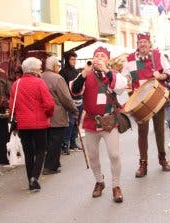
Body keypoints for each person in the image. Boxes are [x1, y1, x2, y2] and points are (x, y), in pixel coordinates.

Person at [70, 47, 127, 203]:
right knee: (93, 156)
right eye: (96, 56)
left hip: (109, 122)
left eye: (102, 56)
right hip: (91, 122)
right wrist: (83, 74)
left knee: (114, 155)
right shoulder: (85, 75)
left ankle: (116, 186)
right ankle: (99, 181)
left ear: (107, 59)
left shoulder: (114, 75)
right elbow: (75, 91)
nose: (99, 58)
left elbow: (120, 89)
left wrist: (107, 71)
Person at [122, 32, 170, 178]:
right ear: (137, 45)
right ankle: (143, 163)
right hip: (139, 102)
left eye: (145, 42)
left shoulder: (158, 55)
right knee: (142, 133)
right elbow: (124, 79)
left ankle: (162, 158)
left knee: (160, 131)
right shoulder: (130, 59)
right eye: (140, 42)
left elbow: (168, 73)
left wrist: (160, 76)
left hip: (157, 98)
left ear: (150, 43)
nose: (142, 44)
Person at [9, 57, 54, 192]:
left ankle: (30, 180)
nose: (41, 70)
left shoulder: (16, 84)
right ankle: (34, 178)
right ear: (34, 69)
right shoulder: (39, 83)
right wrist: (48, 114)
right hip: (39, 123)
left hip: (23, 123)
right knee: (41, 150)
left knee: (28, 152)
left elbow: (12, 106)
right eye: (40, 67)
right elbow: (49, 104)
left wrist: (15, 120)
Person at [41, 56, 78, 174]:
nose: (58, 67)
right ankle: (50, 166)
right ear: (54, 66)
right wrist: (74, 109)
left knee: (47, 141)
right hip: (56, 114)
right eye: (57, 65)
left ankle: (54, 163)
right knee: (55, 141)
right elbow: (65, 98)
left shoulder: (40, 77)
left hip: (43, 114)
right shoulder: (58, 78)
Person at [59, 51, 83, 154]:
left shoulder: (77, 72)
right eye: (72, 59)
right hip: (69, 100)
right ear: (67, 60)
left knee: (76, 122)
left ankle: (73, 142)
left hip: (79, 99)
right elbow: (63, 88)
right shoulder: (62, 72)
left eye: (75, 59)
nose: (74, 61)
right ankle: (65, 144)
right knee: (70, 123)